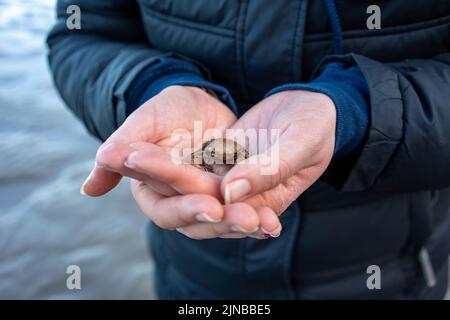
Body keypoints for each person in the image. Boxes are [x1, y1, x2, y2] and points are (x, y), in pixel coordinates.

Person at [47, 0, 450, 299]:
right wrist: (149, 86)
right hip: (195, 275)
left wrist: (357, 109)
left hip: (397, 271)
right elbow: (83, 31)